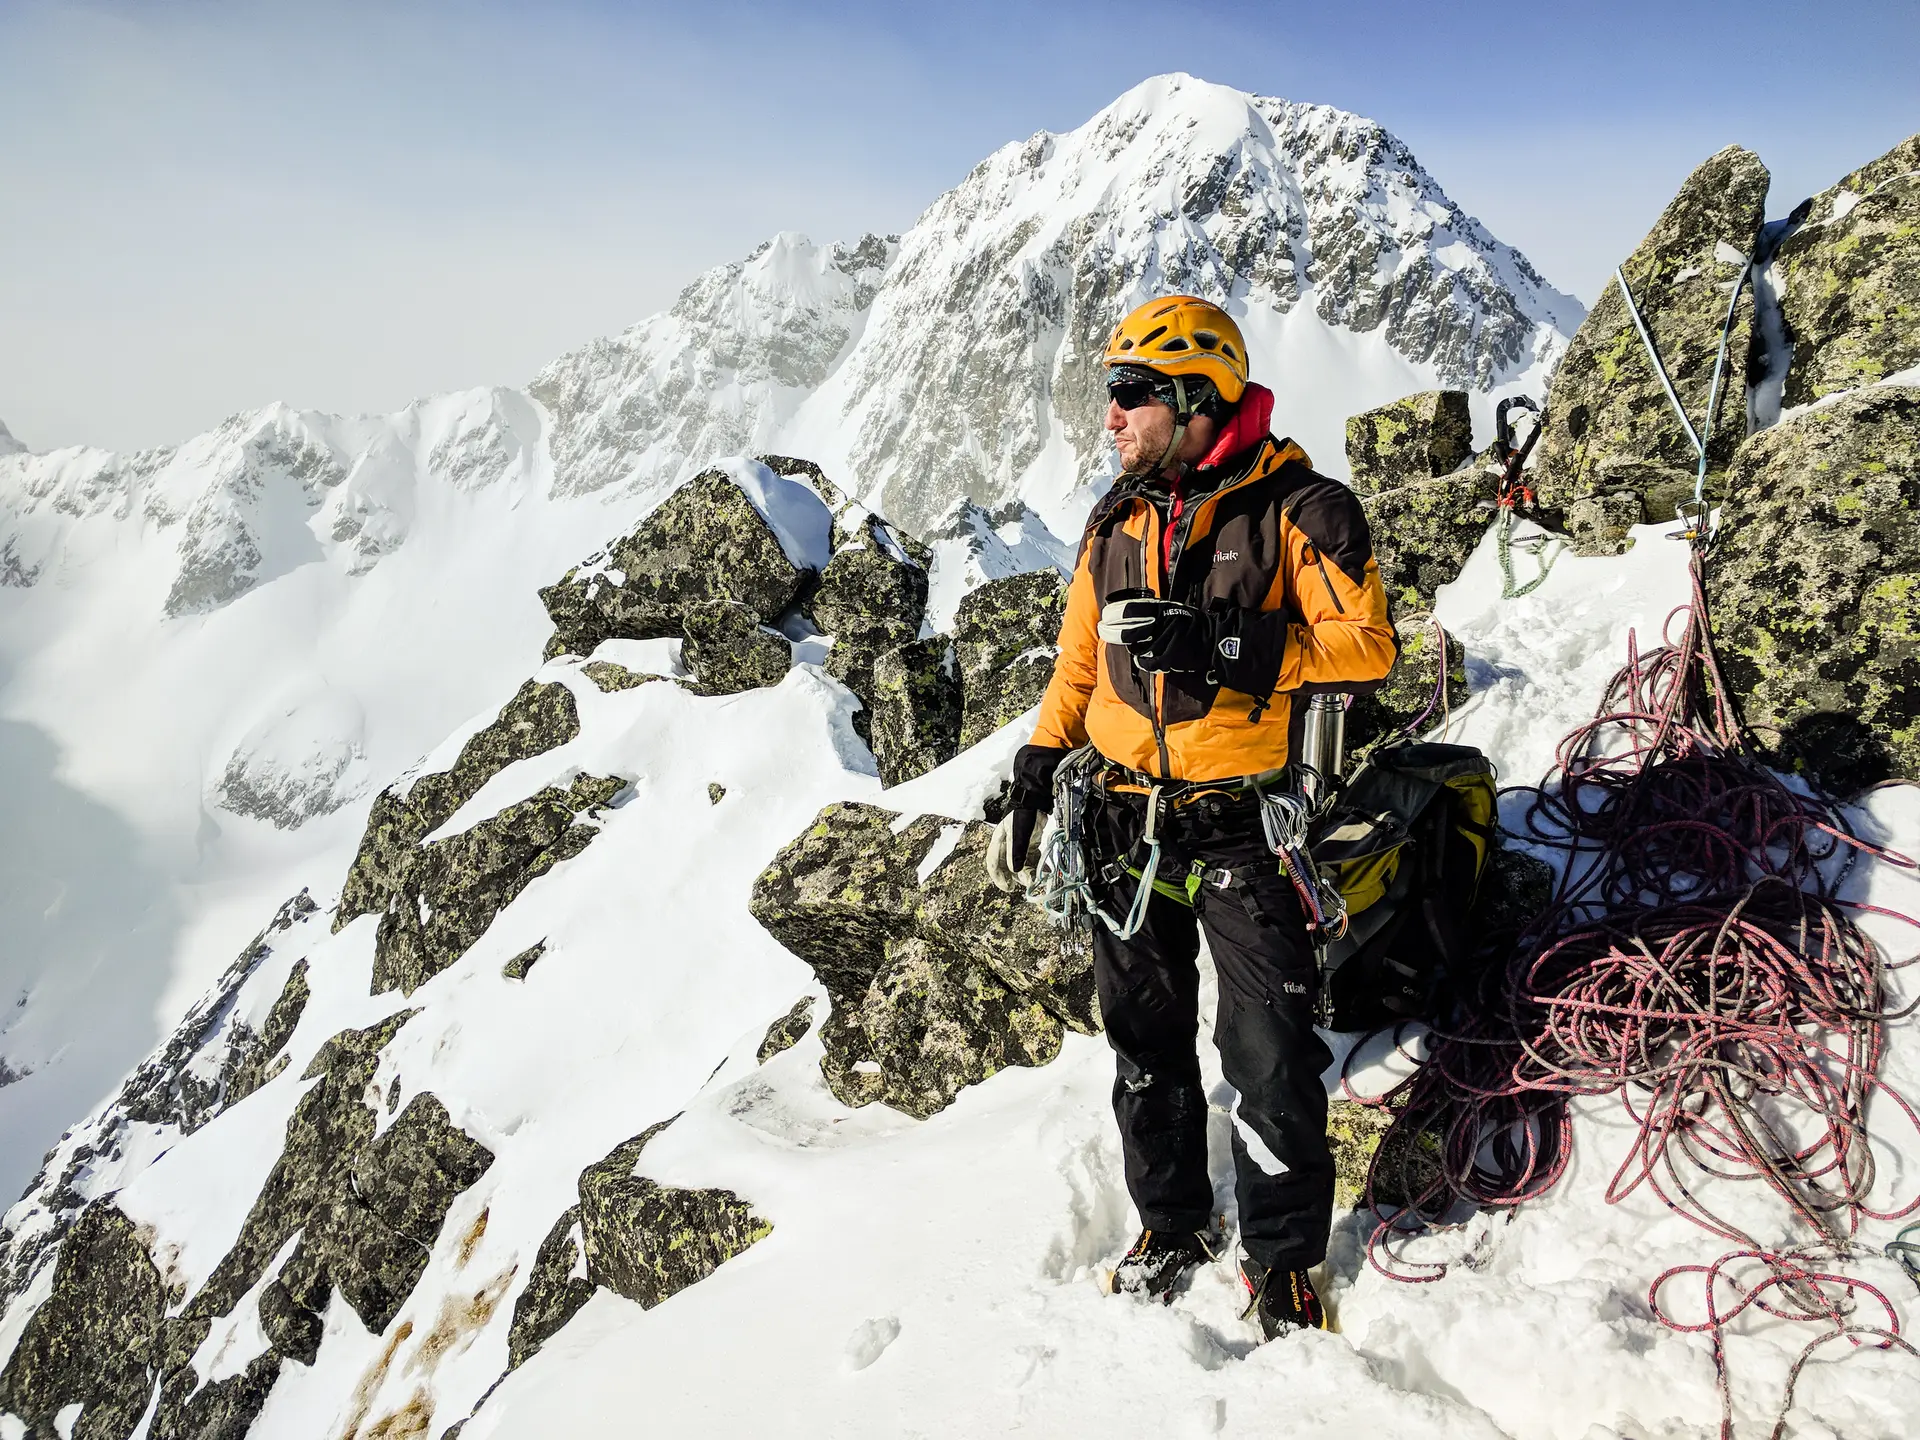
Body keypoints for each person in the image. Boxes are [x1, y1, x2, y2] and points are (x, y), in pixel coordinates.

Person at [986, 296, 1396, 1339]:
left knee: (1269, 1054)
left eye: (1130, 393)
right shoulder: (1116, 517)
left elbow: (1367, 647)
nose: (1111, 416)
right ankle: (1170, 1224)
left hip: (1243, 823)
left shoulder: (1302, 509)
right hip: (1124, 817)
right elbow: (1079, 664)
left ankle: (1283, 1261)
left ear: (1197, 395)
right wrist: (1037, 765)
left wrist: (1226, 645)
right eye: (1111, 394)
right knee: (1143, 1040)